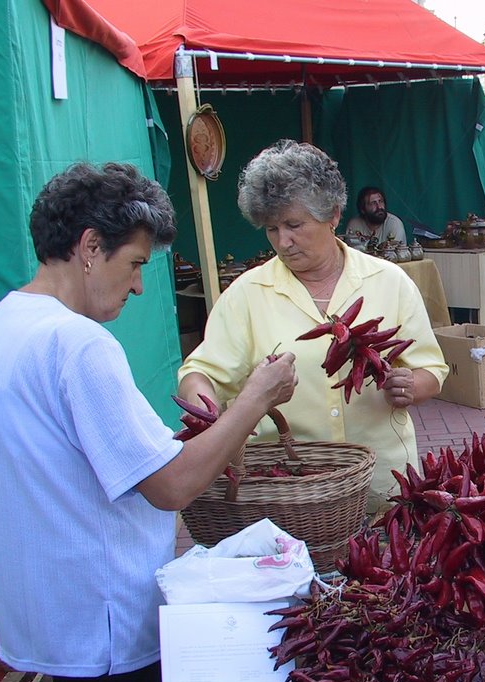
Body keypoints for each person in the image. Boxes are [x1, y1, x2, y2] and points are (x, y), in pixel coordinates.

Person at [0, 163, 298, 682]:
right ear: (91, 247)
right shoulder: (78, 343)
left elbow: (74, 457)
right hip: (102, 622)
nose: (140, 286)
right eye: (136, 263)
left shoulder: (1, 324)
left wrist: (199, 438)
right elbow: (171, 486)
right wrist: (255, 398)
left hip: (50, 610)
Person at [179, 140, 447, 512]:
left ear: (333, 214)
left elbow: (432, 369)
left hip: (383, 489)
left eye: (294, 225)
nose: (283, 242)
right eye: (271, 229)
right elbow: (200, 374)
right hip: (287, 494)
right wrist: (208, 418)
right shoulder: (246, 294)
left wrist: (411, 386)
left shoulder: (390, 281)